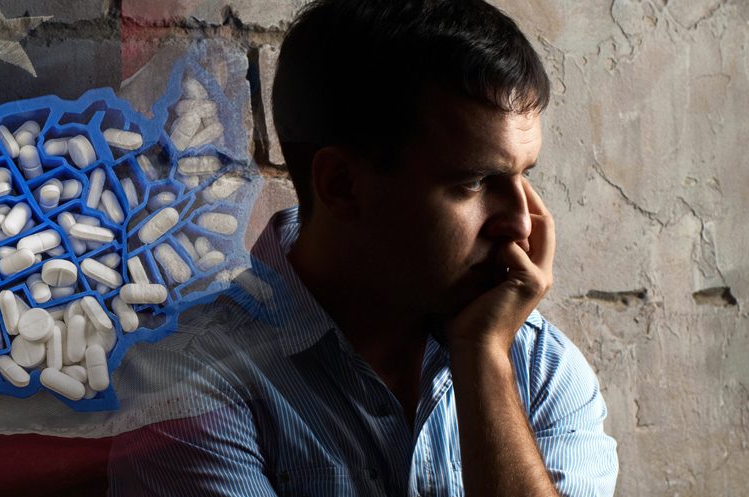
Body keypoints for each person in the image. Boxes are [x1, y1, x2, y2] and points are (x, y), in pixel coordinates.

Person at [107, 0, 619, 495]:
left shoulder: (538, 365)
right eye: (475, 182)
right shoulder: (185, 384)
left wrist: (483, 360)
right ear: (342, 186)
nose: (521, 222)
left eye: (524, 175)